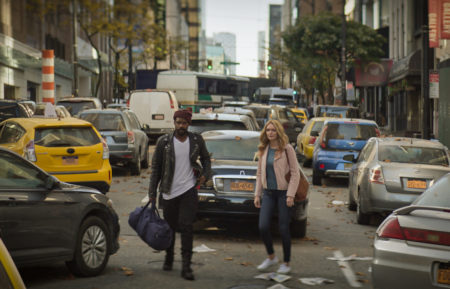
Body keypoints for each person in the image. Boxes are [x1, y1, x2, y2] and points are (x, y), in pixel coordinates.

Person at [148, 109, 211, 281]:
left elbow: (206, 159)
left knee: (187, 227)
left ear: (189, 124)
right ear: (174, 122)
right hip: (169, 192)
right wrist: (152, 193)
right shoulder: (164, 142)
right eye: (178, 122)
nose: (181, 126)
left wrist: (205, 174)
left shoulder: (196, 140)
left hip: (189, 190)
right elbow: (156, 170)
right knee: (169, 228)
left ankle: (186, 266)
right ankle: (169, 257)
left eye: (184, 123)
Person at [254, 119, 300, 274]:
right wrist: (257, 194)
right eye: (268, 130)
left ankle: (286, 263)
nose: (271, 133)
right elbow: (260, 174)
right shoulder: (264, 149)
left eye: (273, 130)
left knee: (283, 228)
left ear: (278, 132)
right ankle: (271, 256)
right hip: (268, 193)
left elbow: (295, 173)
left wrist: (290, 195)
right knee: (263, 226)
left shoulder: (287, 149)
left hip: (283, 194)